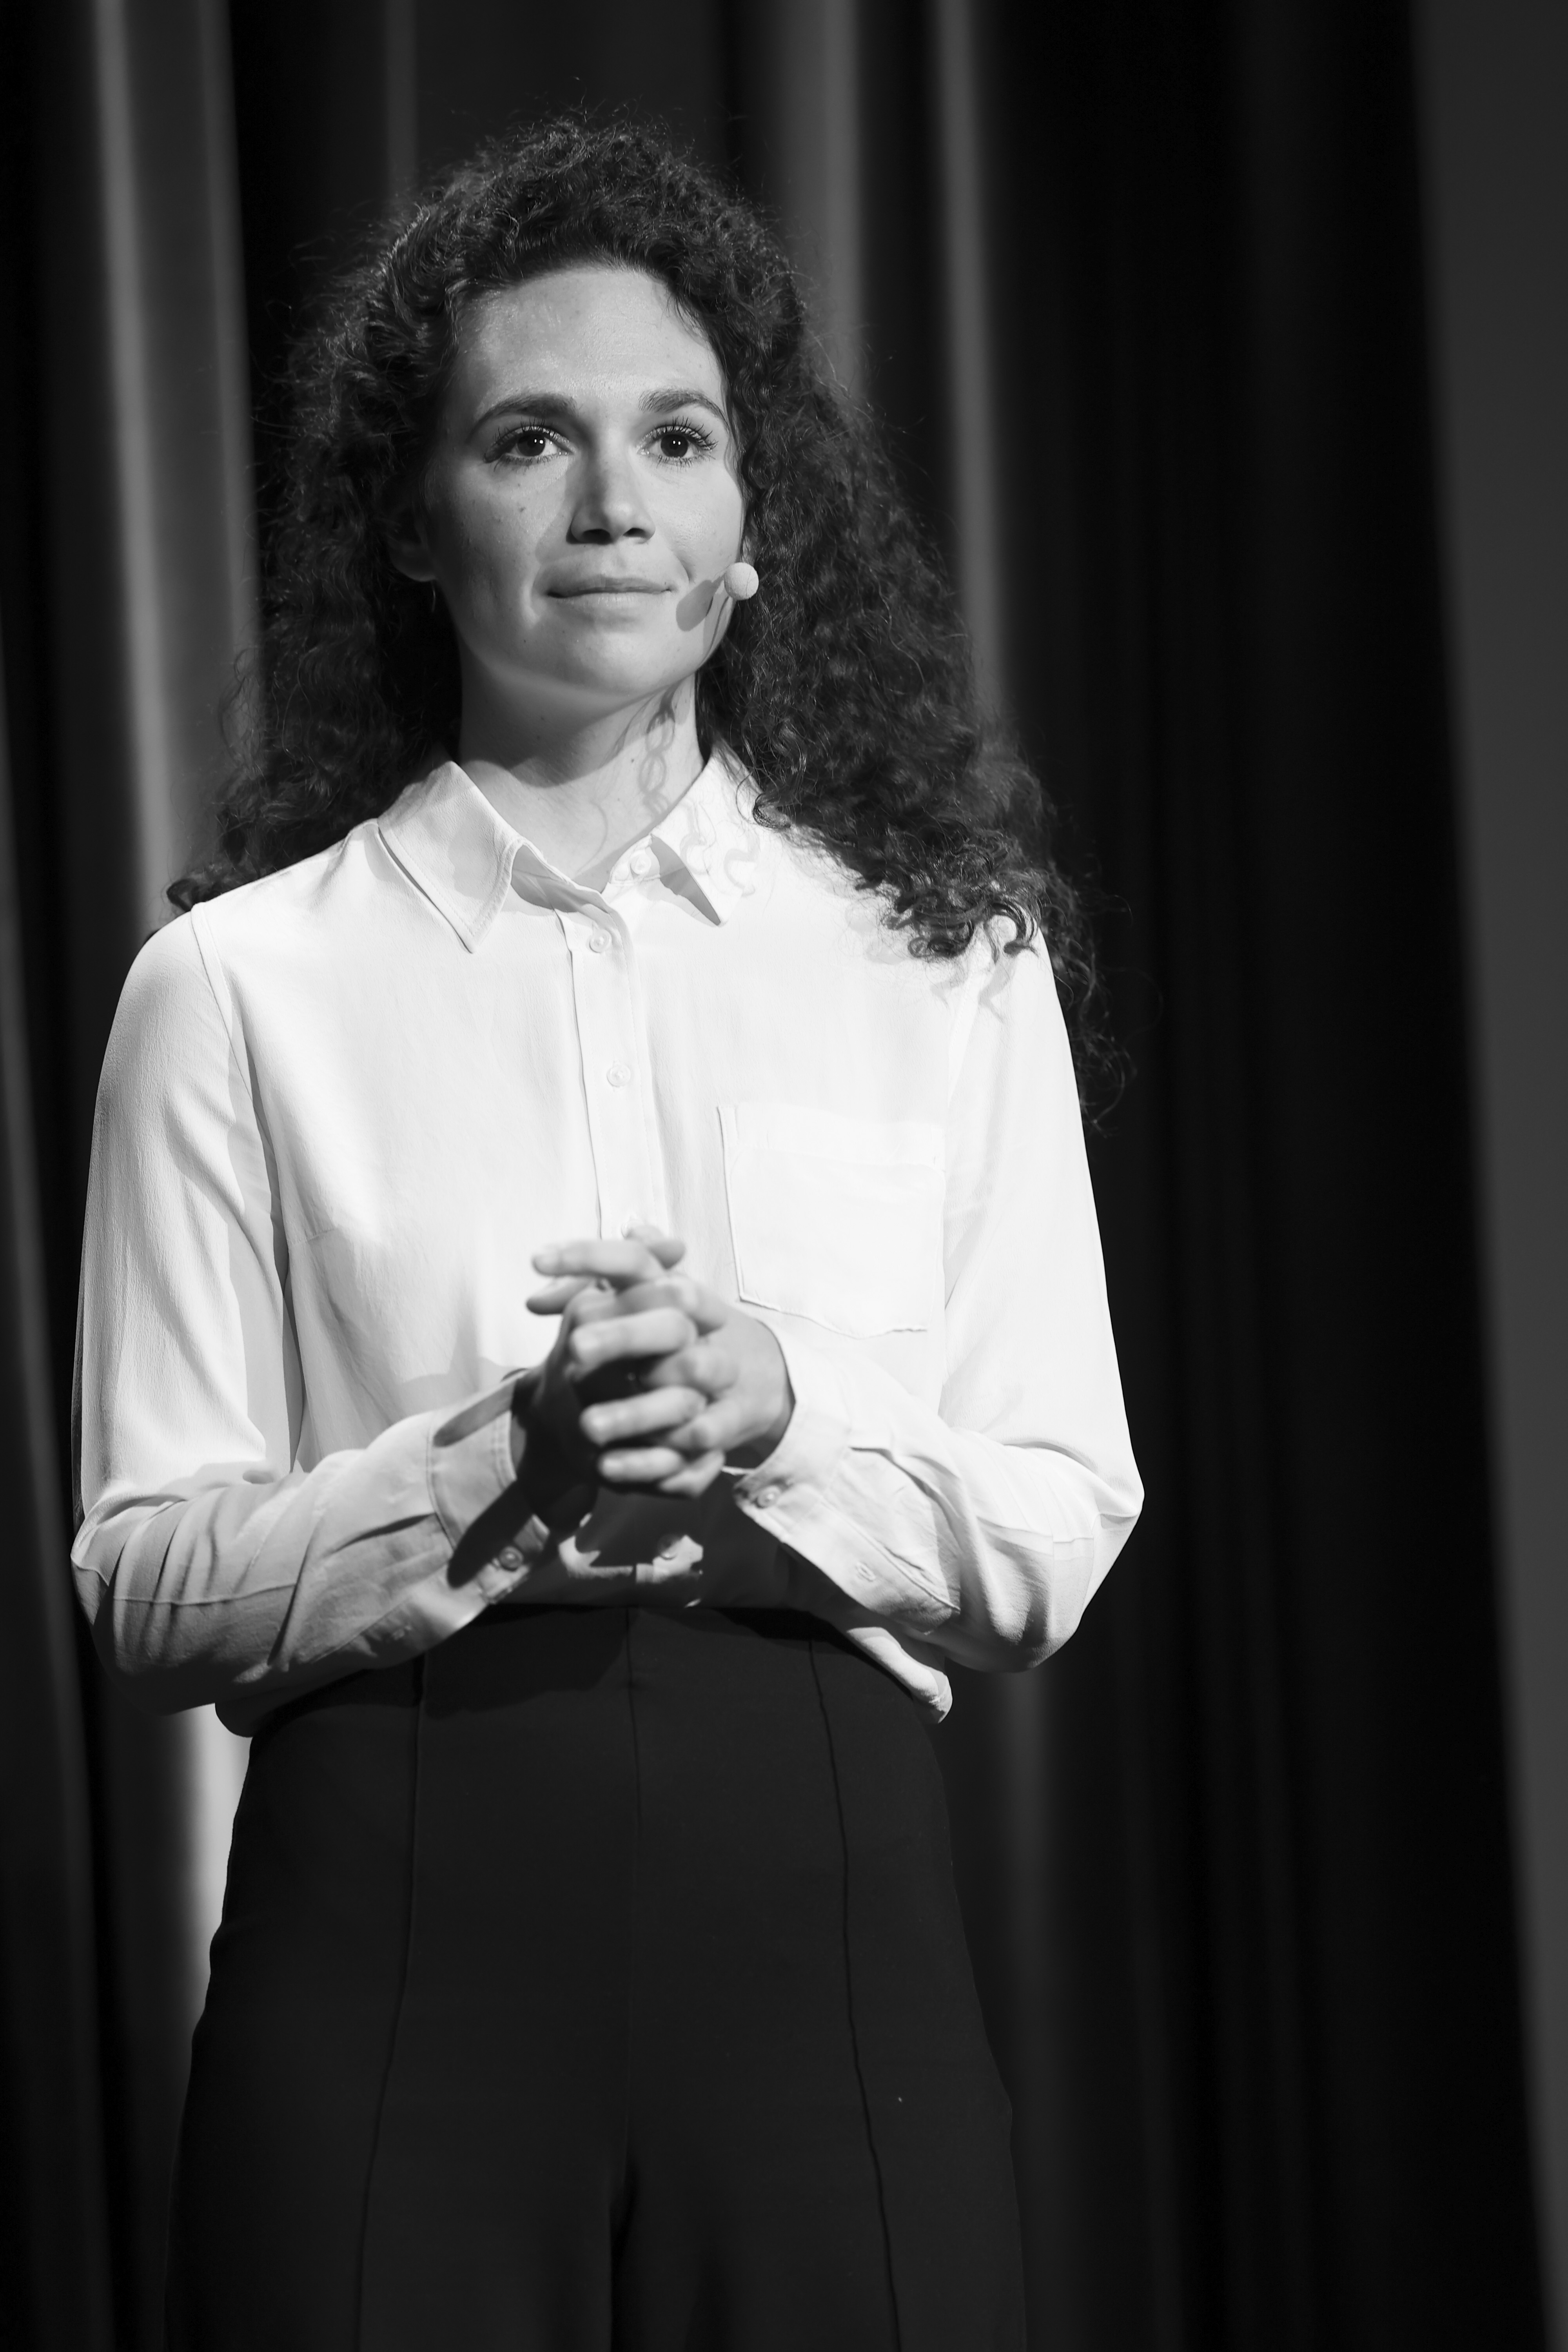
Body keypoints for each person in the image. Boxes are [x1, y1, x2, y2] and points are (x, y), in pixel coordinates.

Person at [72, 118, 1141, 2352]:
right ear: (409, 518)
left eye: (677, 438)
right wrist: (504, 1460)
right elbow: (146, 1583)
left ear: (754, 524)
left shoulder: (943, 960)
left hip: (825, 1915)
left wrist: (782, 1412)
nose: (611, 504)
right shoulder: (238, 988)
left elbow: (1057, 1517)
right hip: (396, 1919)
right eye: (528, 439)